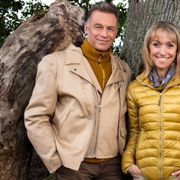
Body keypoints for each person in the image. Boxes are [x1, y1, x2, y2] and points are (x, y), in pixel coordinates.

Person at [24, 2, 131, 179]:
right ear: (86, 27)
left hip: (113, 166)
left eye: (110, 29)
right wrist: (54, 160)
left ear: (116, 31)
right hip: (72, 166)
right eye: (98, 27)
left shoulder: (124, 70)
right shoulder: (55, 63)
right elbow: (36, 116)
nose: (105, 34)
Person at [121, 21, 180, 180]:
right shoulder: (135, 87)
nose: (163, 51)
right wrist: (128, 163)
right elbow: (134, 131)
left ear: (177, 50)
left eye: (170, 45)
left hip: (179, 175)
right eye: (156, 44)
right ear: (148, 48)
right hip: (143, 174)